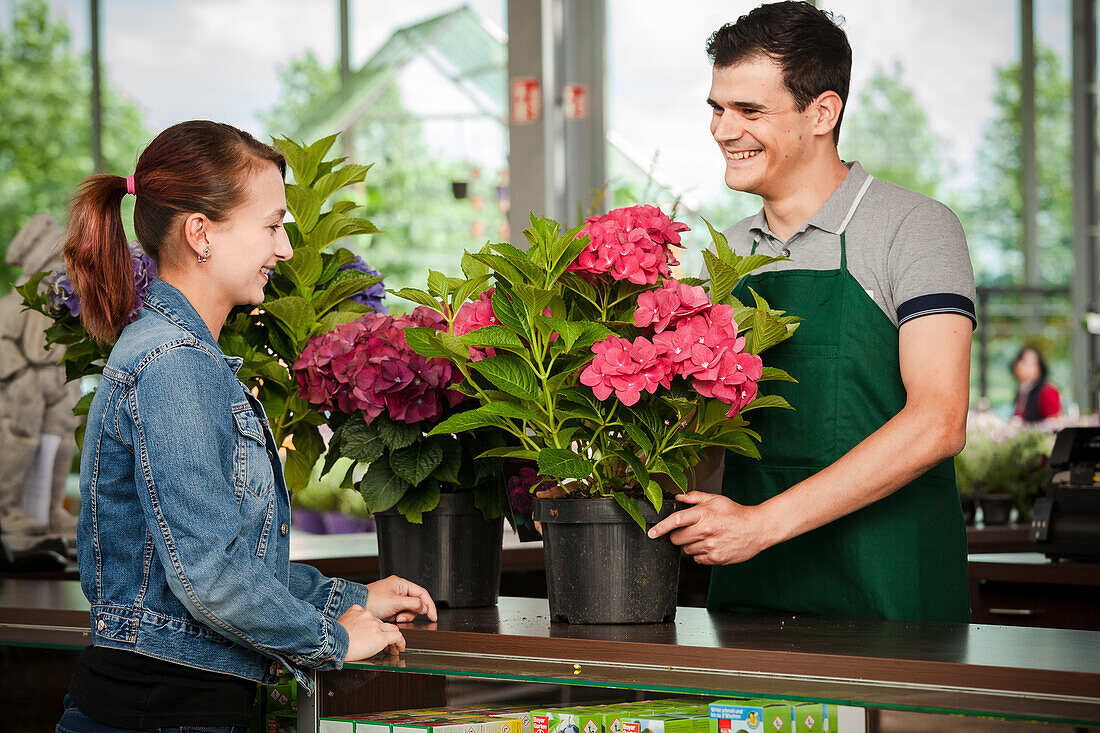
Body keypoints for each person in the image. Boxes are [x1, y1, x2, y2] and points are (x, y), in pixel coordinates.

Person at [56, 120, 437, 732]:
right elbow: (210, 577)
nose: (284, 248)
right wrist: (331, 637)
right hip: (162, 715)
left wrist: (349, 597)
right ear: (201, 233)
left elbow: (217, 559)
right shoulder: (175, 365)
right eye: (271, 225)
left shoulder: (174, 352)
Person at [649, 2, 975, 623]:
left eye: (750, 111)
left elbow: (939, 420)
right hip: (751, 603)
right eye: (717, 108)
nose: (722, 130)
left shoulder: (913, 227)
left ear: (822, 112)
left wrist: (761, 525)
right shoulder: (728, 253)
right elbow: (705, 444)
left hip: (894, 597)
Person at [1012, 345, 1062, 422]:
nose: (1026, 368)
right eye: (1023, 362)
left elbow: (1055, 424)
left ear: (1039, 368)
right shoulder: (1023, 390)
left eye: (1032, 363)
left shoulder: (1048, 391)